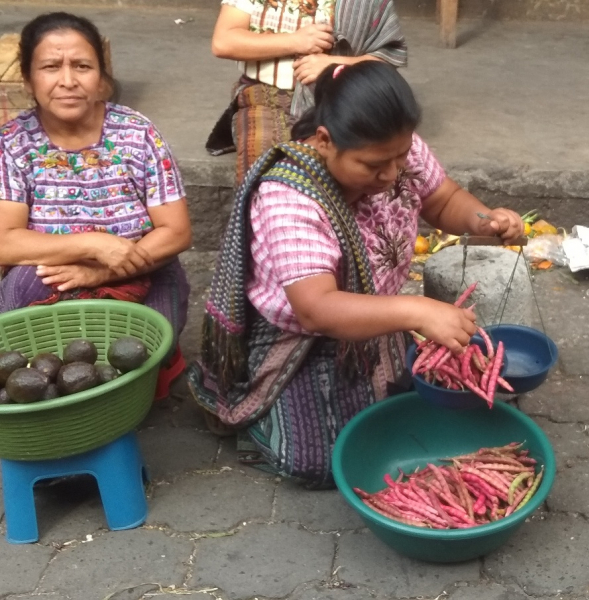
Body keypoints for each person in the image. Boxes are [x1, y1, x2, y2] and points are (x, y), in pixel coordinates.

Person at [187, 61, 524, 487]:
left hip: (373, 314)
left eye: (401, 157)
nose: (392, 173)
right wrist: (416, 311)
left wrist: (483, 220)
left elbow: (441, 198)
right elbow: (317, 309)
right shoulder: (288, 197)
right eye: (373, 165)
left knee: (407, 413)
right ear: (325, 142)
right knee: (321, 462)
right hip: (303, 336)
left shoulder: (394, 149)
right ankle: (257, 415)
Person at [0, 12, 192, 394]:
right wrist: (92, 244)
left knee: (144, 347)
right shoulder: (13, 142)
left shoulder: (137, 133)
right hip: (52, 276)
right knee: (29, 360)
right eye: (51, 67)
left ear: (102, 79)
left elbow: (177, 232)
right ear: (28, 79)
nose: (68, 81)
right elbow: (6, 240)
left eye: (82, 66)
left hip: (140, 269)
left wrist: (102, 272)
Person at [205, 0, 407, 185]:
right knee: (265, 164)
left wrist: (336, 64)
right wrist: (294, 41)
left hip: (343, 96)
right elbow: (224, 42)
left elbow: (388, 60)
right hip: (267, 95)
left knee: (364, 158)